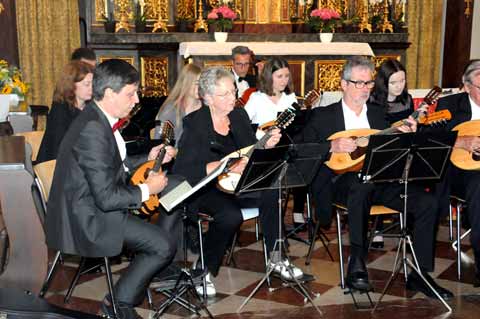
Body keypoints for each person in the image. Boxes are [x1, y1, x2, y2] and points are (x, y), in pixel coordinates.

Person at [303, 56, 453, 299]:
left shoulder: (377, 114)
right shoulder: (323, 116)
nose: (365, 89)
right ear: (343, 84)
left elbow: (391, 151)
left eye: (369, 84)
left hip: (380, 179)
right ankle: (357, 263)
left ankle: (420, 273)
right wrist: (331, 147)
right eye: (358, 83)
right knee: (360, 187)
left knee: (428, 203)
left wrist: (406, 136)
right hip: (340, 181)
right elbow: (302, 150)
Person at [45, 59, 176, 319]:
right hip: (87, 218)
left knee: (161, 230)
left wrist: (148, 158)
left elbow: (113, 165)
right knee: (162, 245)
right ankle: (118, 305)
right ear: (108, 94)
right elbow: (105, 198)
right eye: (131, 93)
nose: (137, 100)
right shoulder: (93, 128)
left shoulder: (97, 117)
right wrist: (146, 189)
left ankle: (120, 302)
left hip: (91, 205)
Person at [172, 67, 305, 297]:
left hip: (238, 184)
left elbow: (250, 152)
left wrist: (266, 145)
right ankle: (202, 268)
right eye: (224, 94)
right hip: (208, 188)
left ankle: (276, 258)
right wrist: (221, 165)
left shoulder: (239, 116)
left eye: (233, 91)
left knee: (271, 190)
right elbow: (183, 169)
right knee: (230, 215)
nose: (232, 97)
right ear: (208, 98)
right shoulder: (195, 123)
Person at [435, 59, 480, 287]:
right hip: (460, 173)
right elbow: (432, 140)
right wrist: (461, 142)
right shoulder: (449, 105)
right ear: (467, 86)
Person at [368, 59, 414, 248]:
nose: (398, 86)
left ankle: (411, 224)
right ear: (383, 82)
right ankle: (377, 227)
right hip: (382, 151)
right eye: (393, 83)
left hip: (404, 149)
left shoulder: (407, 100)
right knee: (384, 171)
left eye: (402, 81)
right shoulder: (372, 101)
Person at [37, 61, 94, 163]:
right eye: (87, 84)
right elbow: (59, 148)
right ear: (71, 84)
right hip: (55, 165)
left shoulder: (91, 107)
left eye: (93, 84)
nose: (91, 88)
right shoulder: (60, 110)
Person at [154, 63, 202, 142]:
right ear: (186, 83)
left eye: (202, 83)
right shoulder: (170, 110)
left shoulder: (208, 107)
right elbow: (160, 143)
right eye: (197, 83)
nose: (200, 87)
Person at [244, 57, 297, 126]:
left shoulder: (290, 97)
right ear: (268, 77)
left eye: (286, 76)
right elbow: (242, 123)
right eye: (279, 76)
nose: (284, 81)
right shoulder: (256, 98)